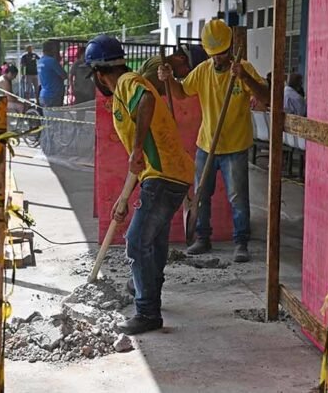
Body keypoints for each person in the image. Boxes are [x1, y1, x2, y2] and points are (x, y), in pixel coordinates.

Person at [85, 34, 194, 335]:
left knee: (136, 240)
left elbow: (145, 102)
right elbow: (142, 157)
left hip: (165, 175)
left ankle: (147, 312)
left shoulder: (127, 83)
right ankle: (147, 288)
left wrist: (134, 150)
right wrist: (124, 197)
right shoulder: (128, 86)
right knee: (153, 238)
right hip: (166, 174)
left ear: (98, 73)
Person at [158, 19, 270, 263]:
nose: (217, 59)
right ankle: (202, 238)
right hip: (207, 145)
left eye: (221, 54)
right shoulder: (203, 70)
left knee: (237, 198)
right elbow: (180, 92)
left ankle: (241, 242)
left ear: (230, 49)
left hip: (236, 147)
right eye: (213, 55)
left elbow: (266, 97)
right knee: (201, 194)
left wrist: (245, 79)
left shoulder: (244, 69)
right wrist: (168, 80)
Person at [137, 44, 208, 95]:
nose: (187, 75)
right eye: (189, 70)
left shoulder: (162, 64)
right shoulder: (161, 69)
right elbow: (141, 95)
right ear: (181, 58)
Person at [37, 41, 67, 107]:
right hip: (54, 95)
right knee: (56, 116)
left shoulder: (39, 62)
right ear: (52, 49)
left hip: (43, 94)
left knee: (47, 116)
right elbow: (64, 75)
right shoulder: (52, 61)